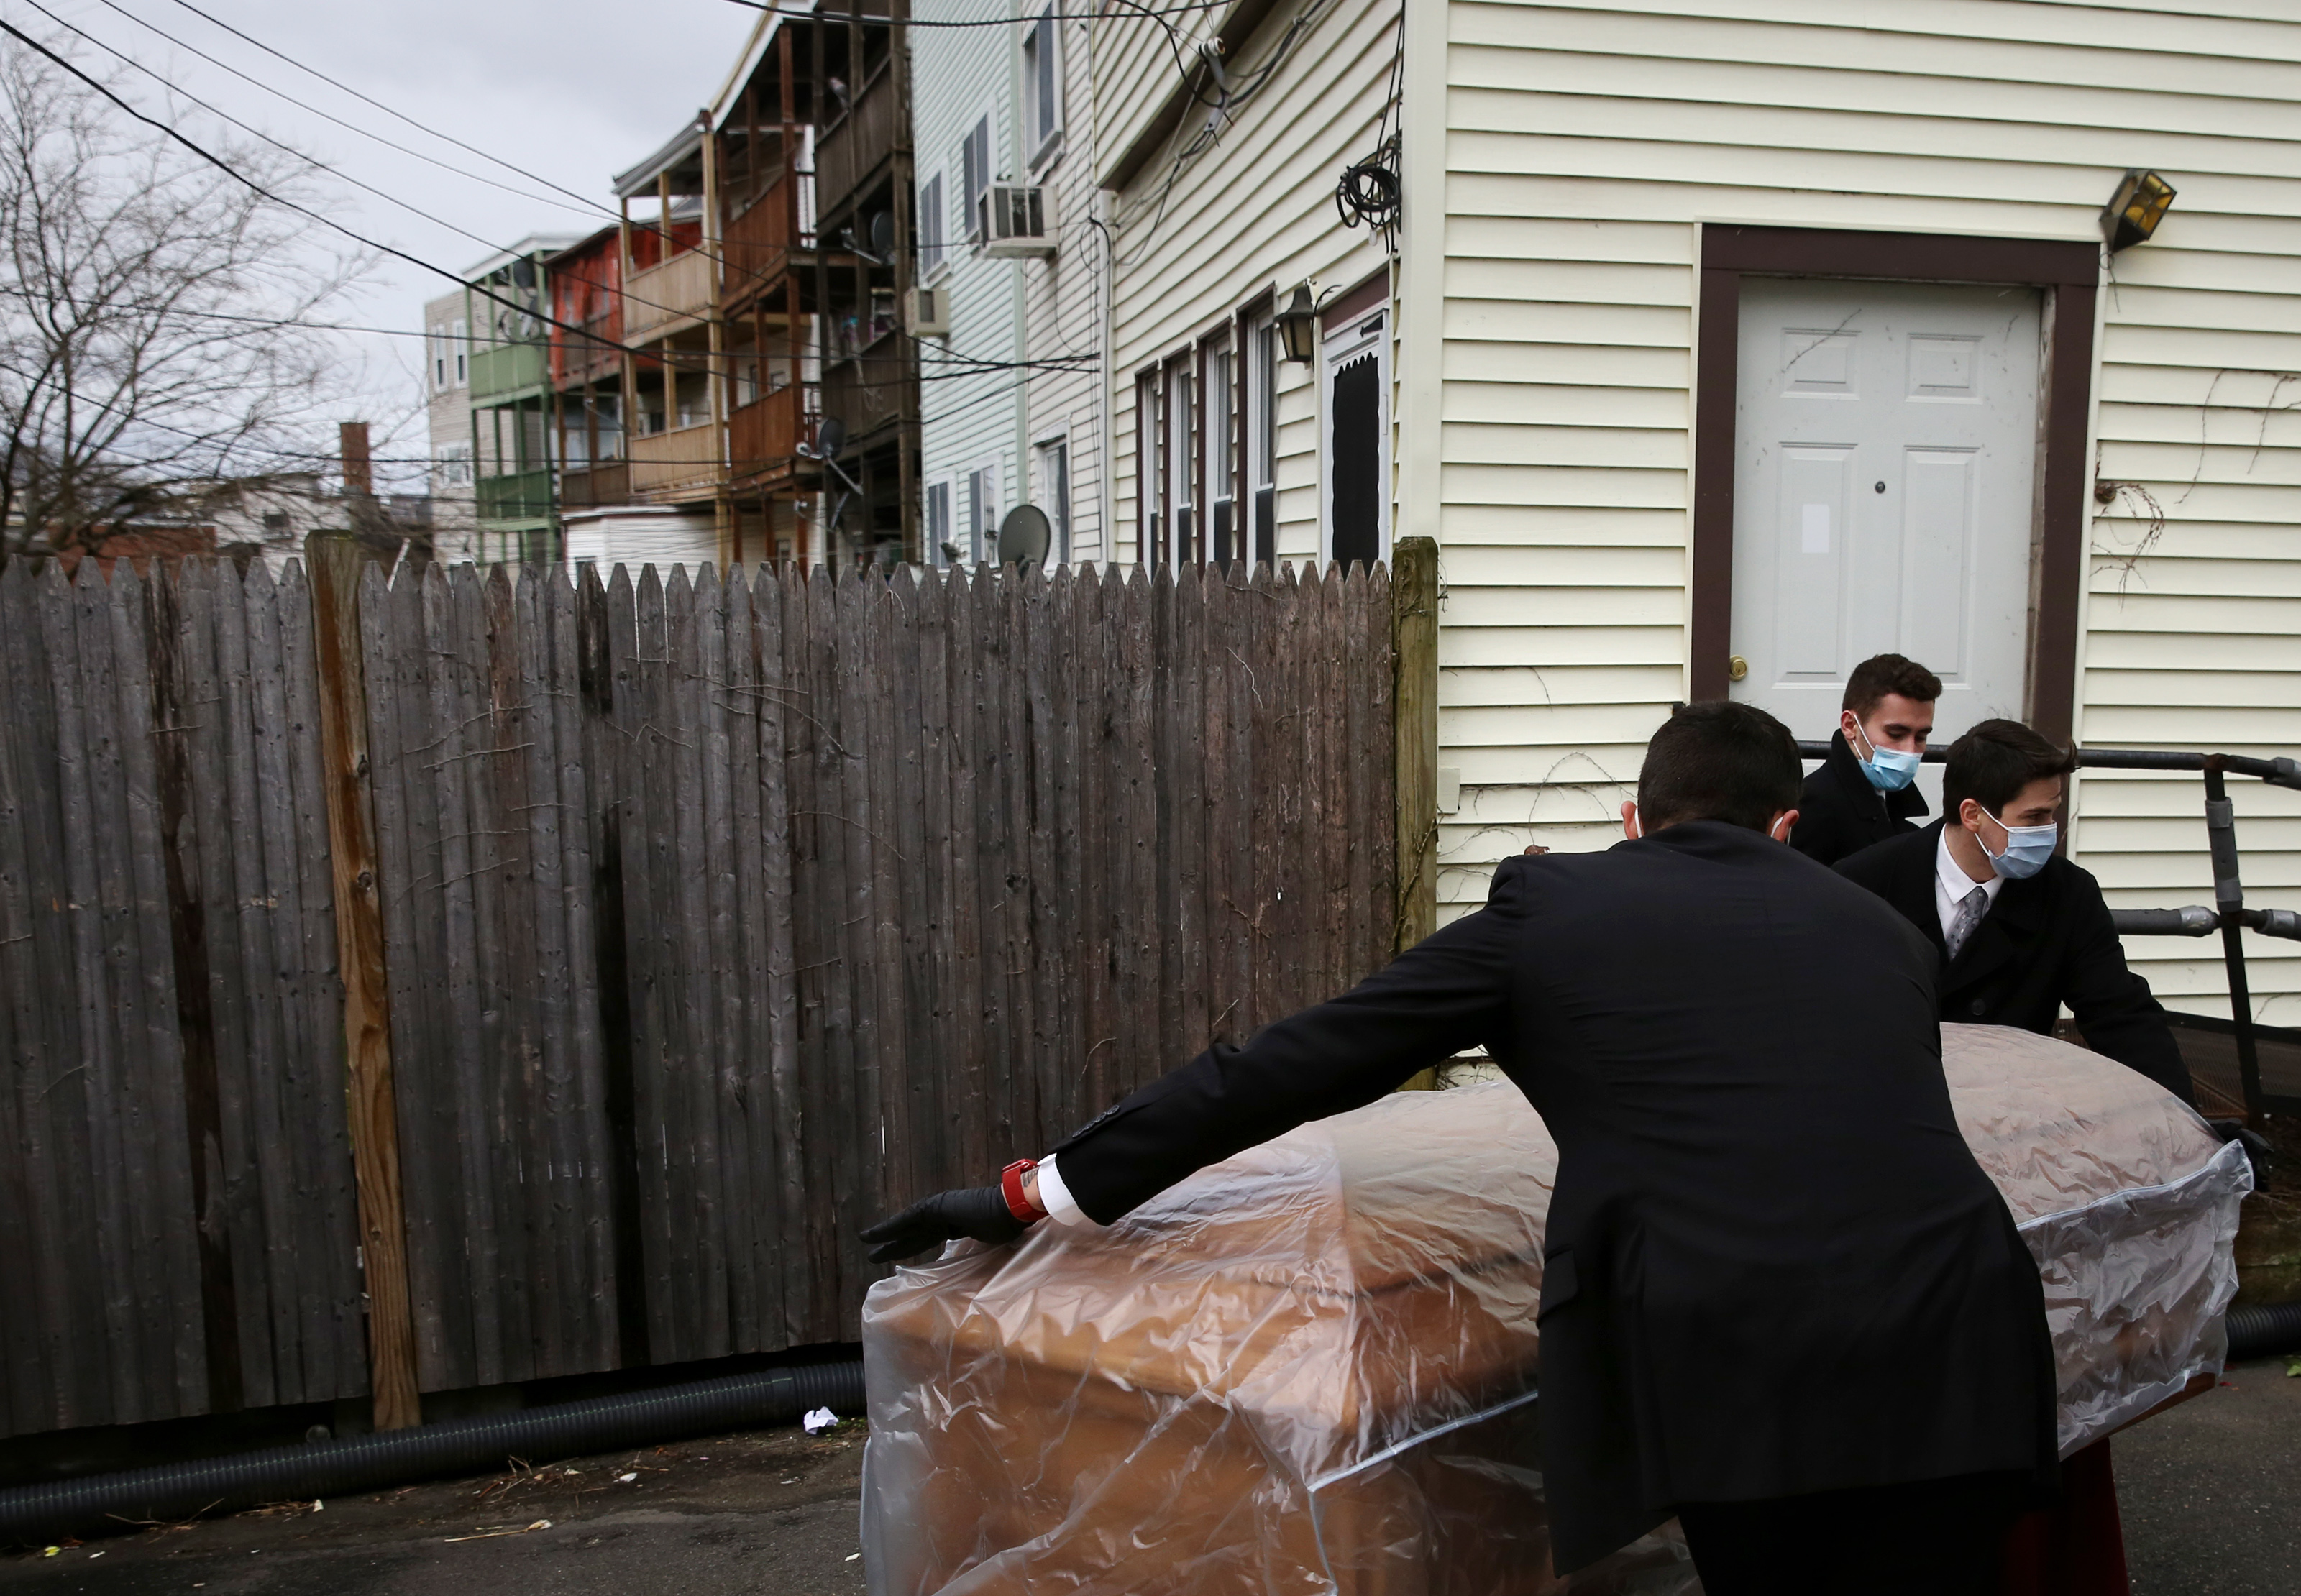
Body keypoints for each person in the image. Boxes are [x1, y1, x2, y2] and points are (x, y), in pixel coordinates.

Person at [865, 701, 2056, 1595]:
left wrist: (1037, 1192)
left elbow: (1296, 1064)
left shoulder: (1554, 910)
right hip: (1970, 1327)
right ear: (1786, 826)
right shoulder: (1877, 924)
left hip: (1745, 1354)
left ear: (1634, 820)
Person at [1835, 717, 2191, 1104]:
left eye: (2053, 813)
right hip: (1886, 1105)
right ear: (1972, 814)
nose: (2049, 831)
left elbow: (2123, 1017)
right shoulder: (1864, 883)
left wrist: (2185, 1122)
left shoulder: (2068, 894)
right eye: (2034, 818)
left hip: (2011, 1112)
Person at [1790, 653, 1941, 867]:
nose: (1910, 750)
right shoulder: (1814, 806)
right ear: (1850, 726)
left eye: (1922, 736)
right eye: (1896, 734)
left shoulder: (1890, 800)